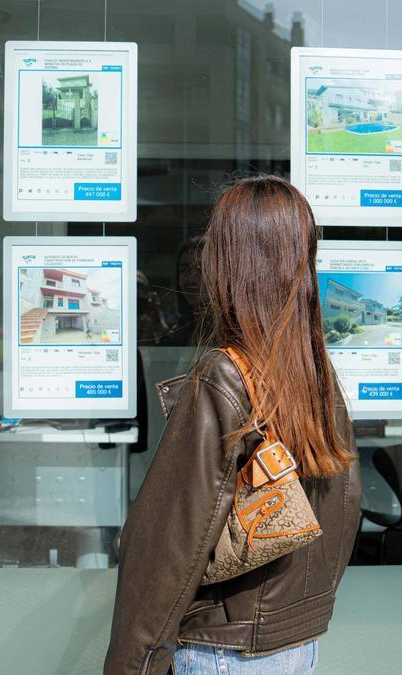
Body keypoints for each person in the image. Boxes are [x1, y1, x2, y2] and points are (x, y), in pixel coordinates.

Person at [104, 176, 361, 675]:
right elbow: (347, 503)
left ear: (229, 263)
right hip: (295, 644)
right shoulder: (313, 372)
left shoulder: (224, 375)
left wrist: (133, 665)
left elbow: (169, 546)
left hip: (222, 650)